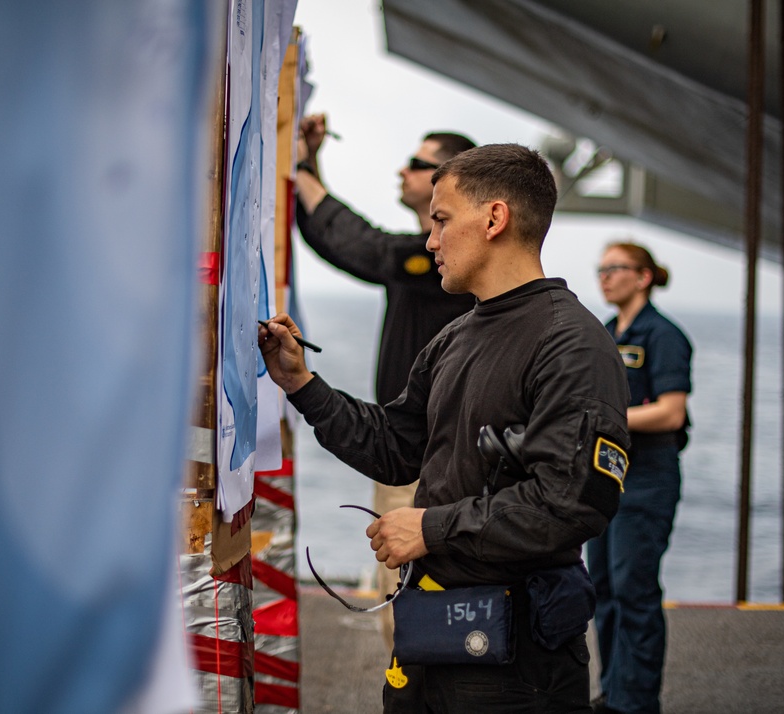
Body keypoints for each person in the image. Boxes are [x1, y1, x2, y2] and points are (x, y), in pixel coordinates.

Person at [260, 143, 631, 713]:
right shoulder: (456, 337)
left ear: (494, 218)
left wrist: (432, 528)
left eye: (440, 220)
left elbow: (571, 503)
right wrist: (303, 386)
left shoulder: (572, 345)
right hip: (430, 644)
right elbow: (396, 447)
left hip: (517, 668)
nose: (430, 240)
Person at [294, 114, 477, 649]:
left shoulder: (441, 255)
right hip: (406, 448)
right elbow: (339, 242)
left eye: (418, 164)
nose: (403, 170)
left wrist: (305, 166)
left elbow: (365, 249)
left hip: (425, 456)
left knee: (413, 605)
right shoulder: (425, 253)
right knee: (401, 595)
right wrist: (311, 165)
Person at [587, 243, 693, 714]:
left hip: (648, 479)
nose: (605, 277)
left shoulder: (663, 334)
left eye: (616, 268)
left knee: (635, 590)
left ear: (644, 276)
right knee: (603, 589)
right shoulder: (607, 332)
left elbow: (672, 412)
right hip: (608, 478)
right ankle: (614, 691)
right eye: (602, 269)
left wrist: (608, 418)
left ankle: (637, 702)